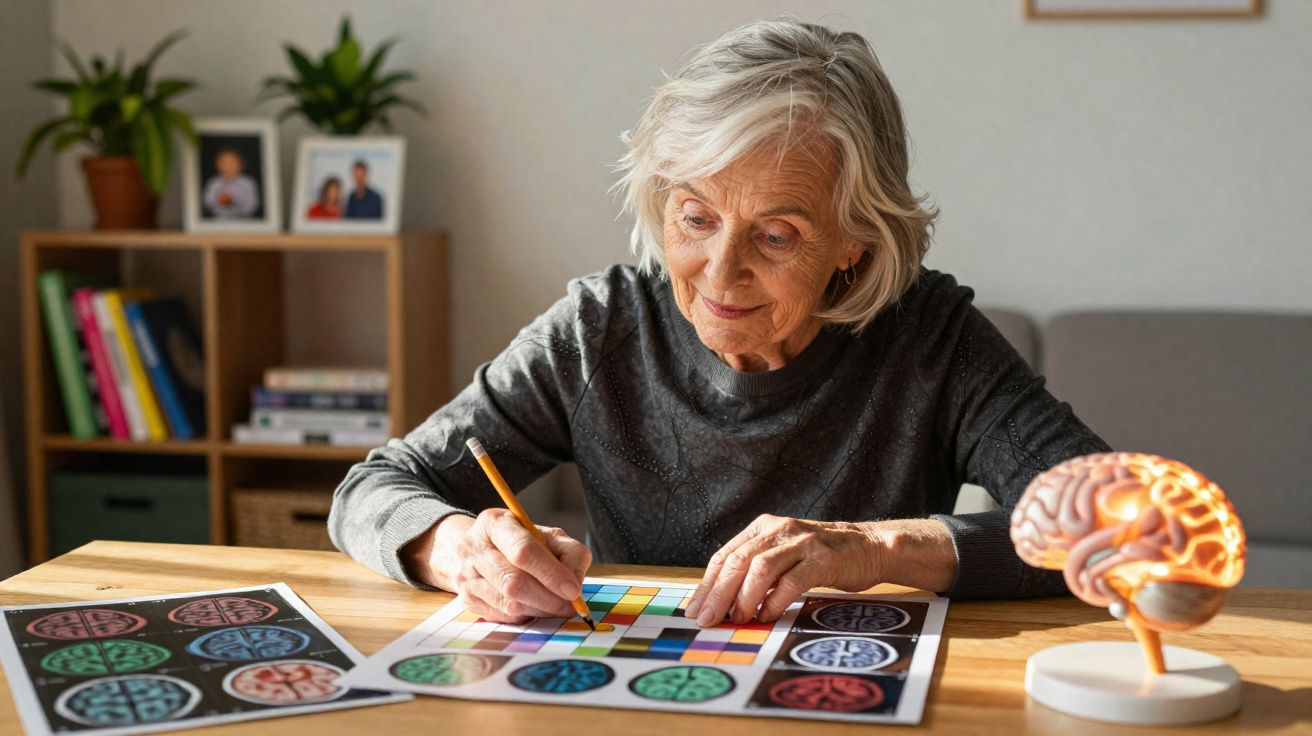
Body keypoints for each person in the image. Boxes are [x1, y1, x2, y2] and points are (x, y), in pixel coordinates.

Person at [329, 20, 1110, 626]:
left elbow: (1112, 523)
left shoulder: (930, 338)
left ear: (854, 242)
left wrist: (874, 548)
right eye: (696, 217)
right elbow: (373, 488)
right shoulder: (602, 328)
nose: (718, 271)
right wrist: (458, 549)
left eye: (777, 236)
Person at [202, 147, 260, 219]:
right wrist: (219, 201)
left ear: (240, 164)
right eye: (224, 163)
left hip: (244, 223)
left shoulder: (248, 183)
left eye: (232, 162)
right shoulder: (214, 183)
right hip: (219, 223)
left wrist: (234, 200)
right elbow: (207, 203)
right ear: (217, 165)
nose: (228, 166)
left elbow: (252, 206)